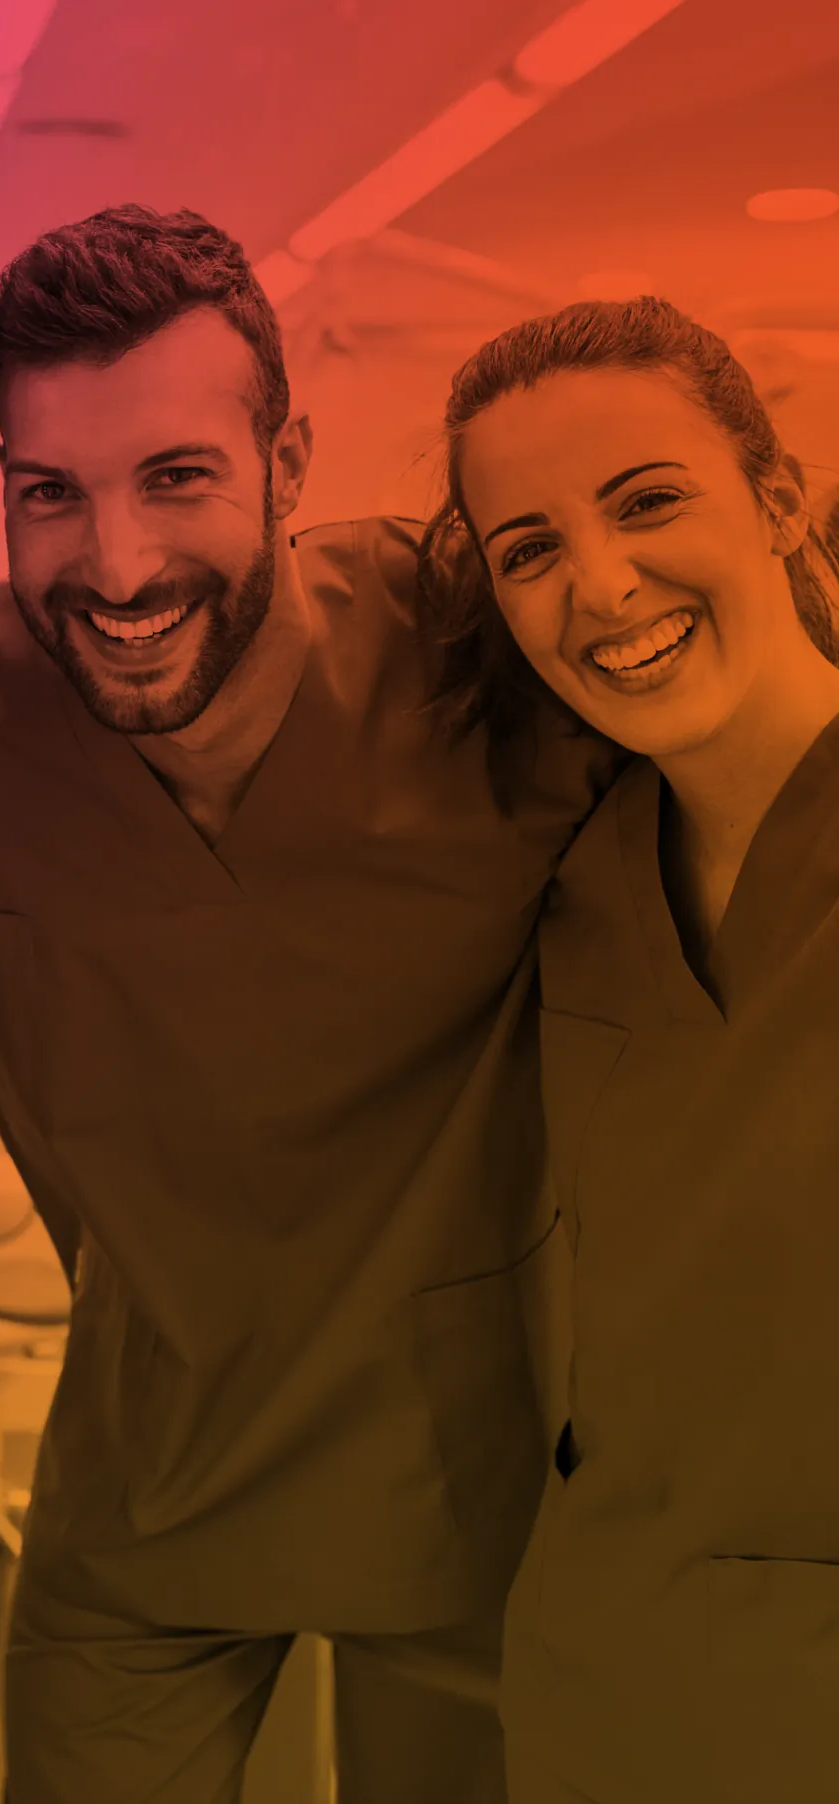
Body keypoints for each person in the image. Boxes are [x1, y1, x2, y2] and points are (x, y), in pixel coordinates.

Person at [0, 207, 613, 1804]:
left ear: (289, 460)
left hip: (499, 1499)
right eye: (51, 494)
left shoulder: (484, 662)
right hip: (152, 1493)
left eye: (176, 477)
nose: (116, 567)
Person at [422, 296, 839, 1804]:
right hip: (614, 1695)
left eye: (648, 502)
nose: (601, 586)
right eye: (529, 548)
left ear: (780, 498)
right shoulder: (578, 894)